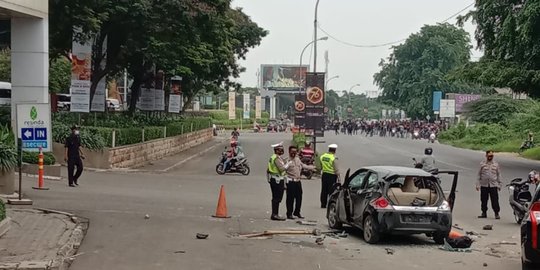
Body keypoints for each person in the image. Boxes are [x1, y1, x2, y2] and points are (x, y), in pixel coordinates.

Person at [285, 146, 315, 219]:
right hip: (290, 181)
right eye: (292, 152)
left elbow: (303, 165)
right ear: (289, 152)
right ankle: (289, 213)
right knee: (290, 199)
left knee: (299, 198)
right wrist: (284, 183)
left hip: (298, 181)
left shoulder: (297, 159)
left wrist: (312, 167)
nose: (293, 153)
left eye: (295, 152)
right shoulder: (286, 160)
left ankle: (297, 212)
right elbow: (283, 171)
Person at [476, 150, 502, 219]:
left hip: (493, 185)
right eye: (489, 156)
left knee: (495, 200)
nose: (490, 157)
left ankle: (496, 213)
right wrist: (477, 184)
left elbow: (498, 174)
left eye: (492, 156)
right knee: (483, 200)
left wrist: (499, 184)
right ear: (486, 156)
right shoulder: (482, 164)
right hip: (484, 185)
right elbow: (479, 174)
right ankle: (484, 213)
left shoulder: (496, 164)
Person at [267, 142, 289, 221]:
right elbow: (282, 169)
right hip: (277, 180)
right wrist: (288, 164)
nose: (282, 151)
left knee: (275, 197)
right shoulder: (276, 158)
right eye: (280, 150)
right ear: (276, 150)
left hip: (274, 179)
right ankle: (275, 214)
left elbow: (268, 170)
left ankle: (275, 213)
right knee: (277, 197)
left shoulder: (274, 157)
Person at [319, 144, 340, 208]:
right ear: (334, 150)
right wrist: (338, 176)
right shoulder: (333, 158)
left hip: (324, 174)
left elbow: (320, 166)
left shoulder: (322, 156)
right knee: (331, 190)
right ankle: (330, 204)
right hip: (332, 175)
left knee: (324, 189)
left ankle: (323, 204)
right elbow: (336, 168)